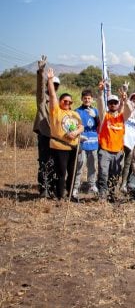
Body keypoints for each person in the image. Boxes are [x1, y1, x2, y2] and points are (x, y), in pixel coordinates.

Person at [46, 68, 84, 200]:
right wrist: (50, 80)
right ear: (60, 101)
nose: (67, 103)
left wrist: (76, 132)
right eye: (65, 101)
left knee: (72, 172)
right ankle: (59, 196)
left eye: (69, 102)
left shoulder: (74, 114)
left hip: (74, 147)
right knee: (61, 172)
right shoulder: (56, 111)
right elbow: (52, 96)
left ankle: (70, 194)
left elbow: (81, 127)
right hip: (60, 147)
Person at [96, 81, 130, 201]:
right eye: (110, 103)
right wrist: (100, 92)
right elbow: (100, 104)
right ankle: (102, 195)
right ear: (108, 104)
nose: (113, 105)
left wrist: (125, 99)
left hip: (118, 152)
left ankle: (112, 194)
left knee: (115, 175)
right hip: (105, 150)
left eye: (115, 102)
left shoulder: (122, 117)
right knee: (103, 174)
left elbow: (129, 110)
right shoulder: (104, 116)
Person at [33, 55, 60, 198]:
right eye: (51, 85)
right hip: (44, 136)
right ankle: (44, 189)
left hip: (56, 137)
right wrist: (41, 72)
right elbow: (40, 89)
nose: (53, 88)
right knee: (44, 162)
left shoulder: (58, 103)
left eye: (55, 86)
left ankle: (53, 189)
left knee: (55, 163)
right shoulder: (42, 101)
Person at [72, 89, 100, 196]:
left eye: (89, 98)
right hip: (82, 142)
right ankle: (75, 186)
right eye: (85, 98)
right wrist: (78, 136)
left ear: (92, 99)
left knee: (92, 165)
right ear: (82, 99)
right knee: (80, 164)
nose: (87, 100)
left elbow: (100, 125)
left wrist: (96, 117)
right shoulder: (77, 111)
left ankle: (92, 185)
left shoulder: (96, 111)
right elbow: (73, 126)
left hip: (93, 142)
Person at [120, 90, 135, 193]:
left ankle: (123, 184)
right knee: (118, 163)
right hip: (121, 139)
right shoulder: (126, 107)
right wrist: (123, 98)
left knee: (127, 164)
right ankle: (114, 182)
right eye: (133, 98)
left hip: (132, 141)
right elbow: (121, 106)